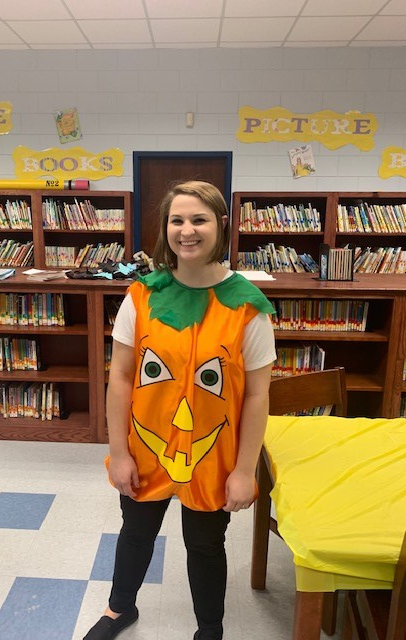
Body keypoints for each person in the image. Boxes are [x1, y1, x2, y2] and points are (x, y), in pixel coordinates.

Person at [83, 181, 276, 640]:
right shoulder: (142, 296)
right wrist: (119, 451)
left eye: (199, 219)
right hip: (146, 444)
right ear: (165, 228)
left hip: (213, 452)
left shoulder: (248, 307)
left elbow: (256, 396)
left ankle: (210, 629)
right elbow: (122, 378)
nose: (187, 230)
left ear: (221, 225)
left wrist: (245, 470)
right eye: (177, 220)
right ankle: (119, 610)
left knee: (206, 545)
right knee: (136, 533)